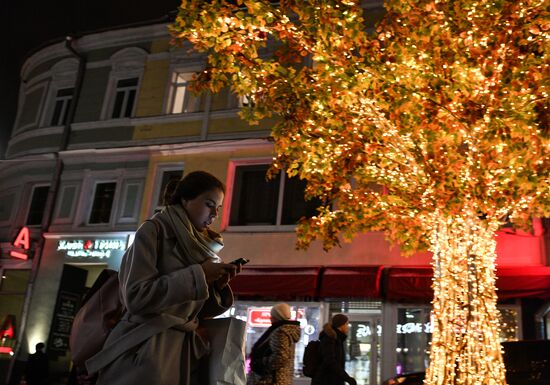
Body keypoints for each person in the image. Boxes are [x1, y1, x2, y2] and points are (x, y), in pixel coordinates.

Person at [92, 170, 242, 385]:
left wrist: (214, 285)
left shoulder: (203, 248)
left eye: (218, 208)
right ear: (186, 199)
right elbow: (136, 297)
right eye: (209, 204)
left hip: (182, 352)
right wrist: (199, 276)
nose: (214, 215)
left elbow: (189, 312)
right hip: (143, 350)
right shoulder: (153, 231)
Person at [247, 303, 301, 385]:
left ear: (277, 316)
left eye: (272, 315)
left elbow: (281, 356)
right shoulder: (286, 330)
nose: (270, 318)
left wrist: (260, 364)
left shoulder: (280, 332)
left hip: (272, 380)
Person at [312, 314, 357, 385]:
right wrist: (347, 378)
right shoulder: (330, 339)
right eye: (346, 324)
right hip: (325, 381)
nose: (348, 327)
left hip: (332, 380)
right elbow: (330, 361)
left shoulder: (337, 339)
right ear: (341, 325)